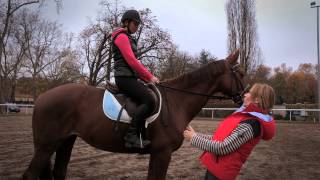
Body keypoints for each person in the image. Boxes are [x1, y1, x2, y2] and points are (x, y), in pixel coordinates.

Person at [183, 83, 276, 180]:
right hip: (216, 168)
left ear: (257, 99)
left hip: (221, 174)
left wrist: (193, 138)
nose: (244, 94)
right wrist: (196, 134)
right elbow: (219, 139)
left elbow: (223, 148)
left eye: (249, 92)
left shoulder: (251, 124)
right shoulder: (246, 117)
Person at [111, 9, 159, 148]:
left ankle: (140, 134)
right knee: (149, 99)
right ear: (126, 22)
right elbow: (132, 61)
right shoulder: (121, 37)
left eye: (138, 25)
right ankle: (131, 136)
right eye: (135, 24)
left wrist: (148, 80)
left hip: (129, 77)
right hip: (123, 78)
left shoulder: (129, 38)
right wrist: (149, 76)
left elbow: (133, 65)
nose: (137, 27)